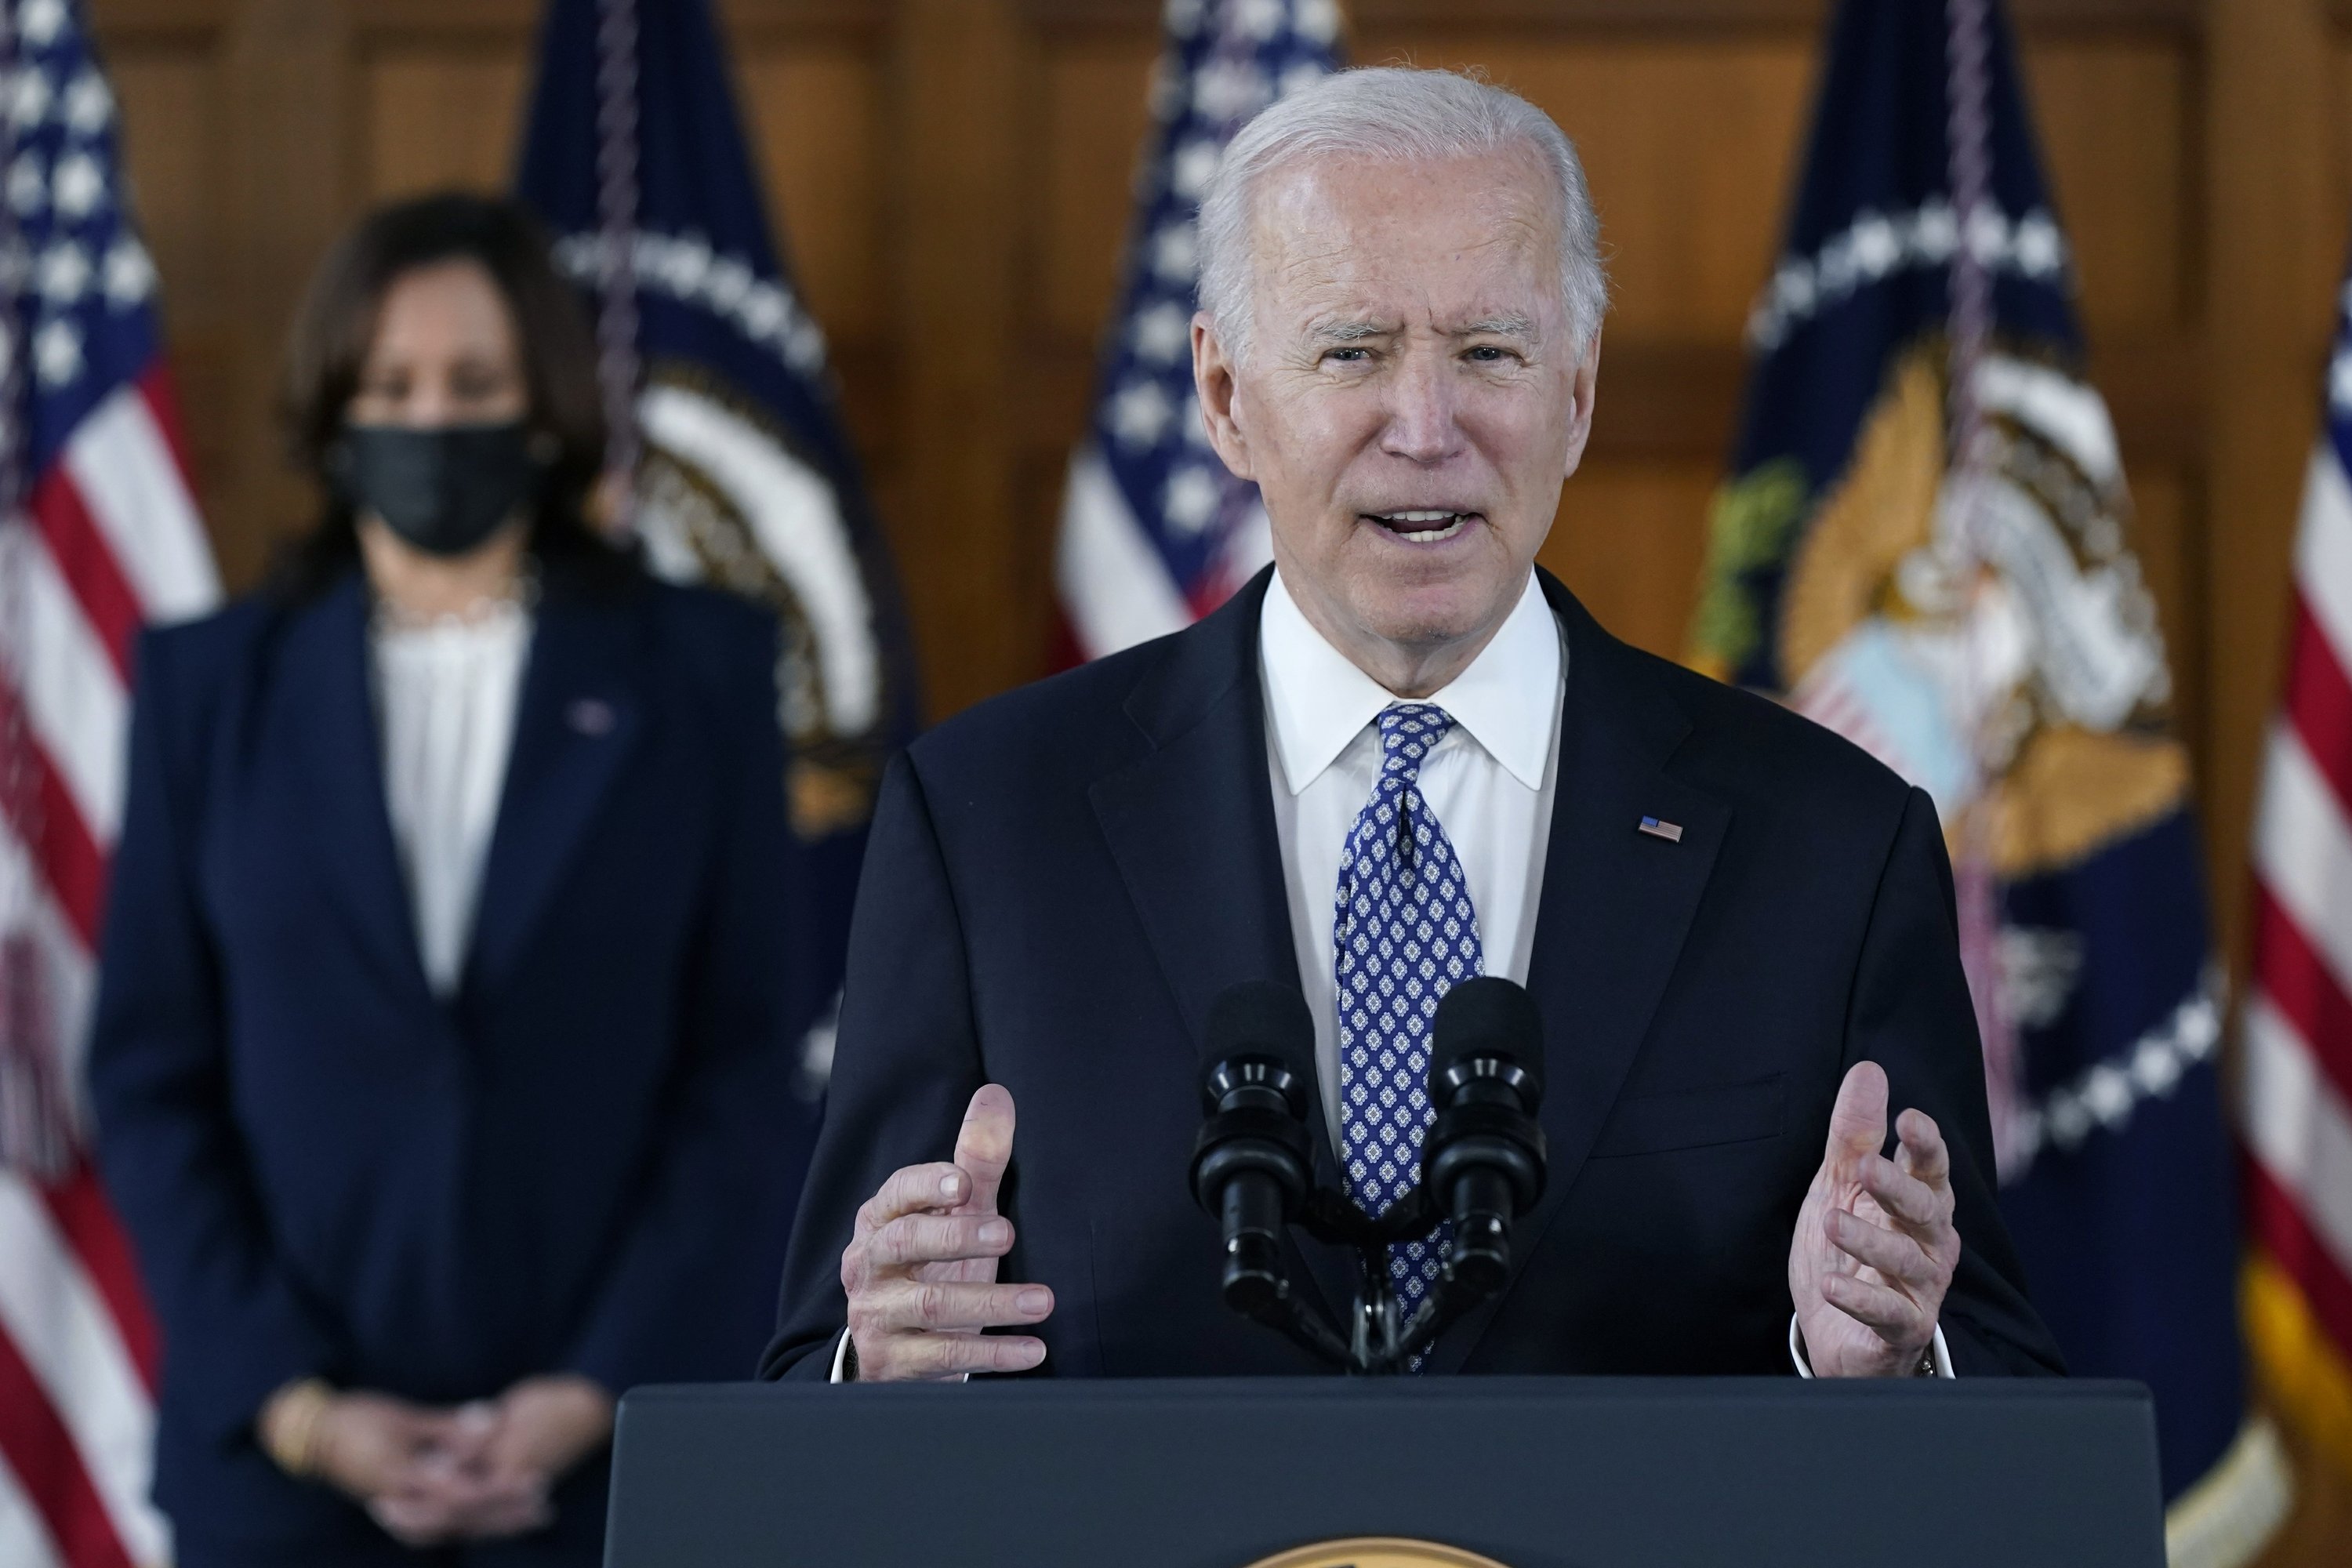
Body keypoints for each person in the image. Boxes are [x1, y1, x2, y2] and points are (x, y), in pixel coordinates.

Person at [763, 68, 2063, 1385]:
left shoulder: (1832, 846)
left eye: (1490, 353)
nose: (1427, 430)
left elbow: (1996, 1389)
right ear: (1224, 399)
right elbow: (813, 1383)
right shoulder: (987, 824)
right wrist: (877, 1370)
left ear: (1578, 393)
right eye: (1353, 353)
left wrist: (1888, 1366)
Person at [90, 192, 818, 1564]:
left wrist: (593, 1392)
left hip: (612, 1469)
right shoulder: (206, 690)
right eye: (394, 387)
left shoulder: (698, 671)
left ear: (543, 410)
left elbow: (744, 1068)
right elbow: (147, 1079)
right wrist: (305, 1411)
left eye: (474, 385)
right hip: (282, 1478)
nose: (434, 422)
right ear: (336, 411)